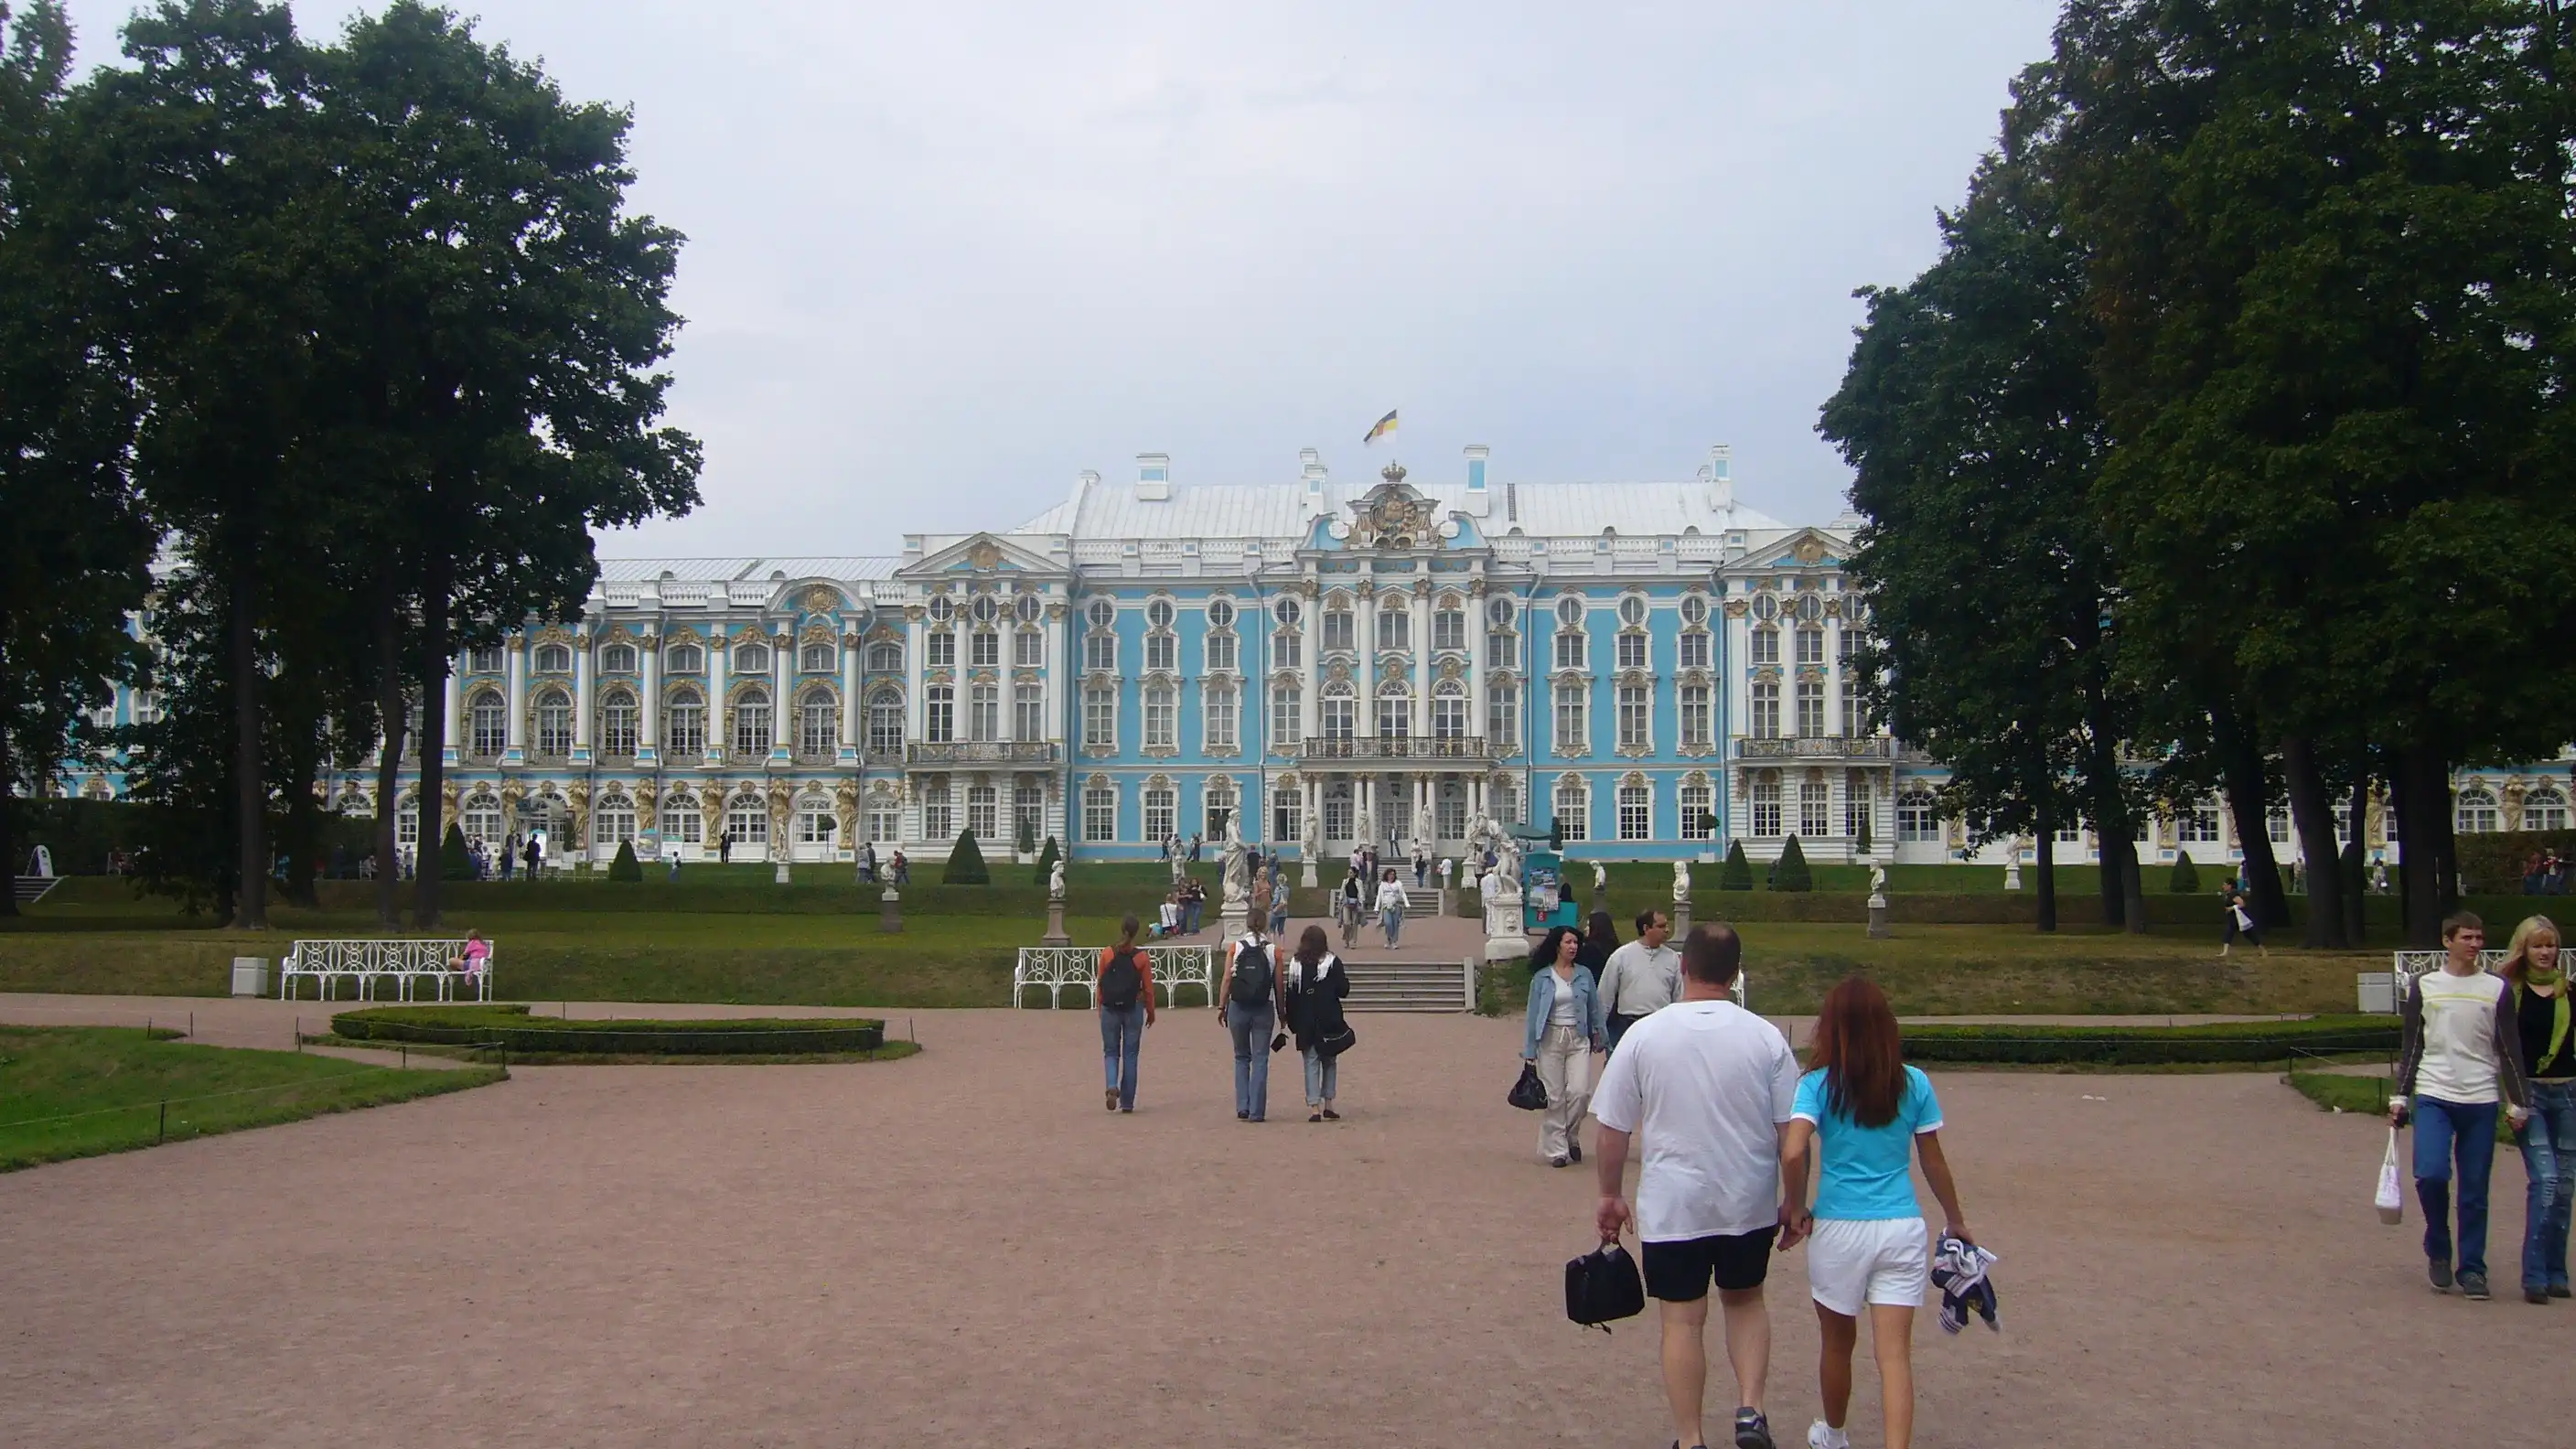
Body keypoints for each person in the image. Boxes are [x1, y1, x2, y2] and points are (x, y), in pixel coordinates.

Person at [1591, 925, 1802, 1449]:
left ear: (1683, 967)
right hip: (1747, 1200)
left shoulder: (1645, 1035)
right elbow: (1791, 1134)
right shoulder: (1765, 1037)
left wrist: (1610, 1194)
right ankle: (1750, 1408)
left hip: (1674, 1203)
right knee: (1746, 1303)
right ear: (1735, 972)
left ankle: (1690, 1438)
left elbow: (1613, 1129)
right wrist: (1794, 1201)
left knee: (1683, 1321)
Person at [1779, 975, 1972, 1449]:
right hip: (1900, 1226)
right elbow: (1932, 1159)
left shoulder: (1817, 1085)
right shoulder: (1913, 1082)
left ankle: (1833, 1435)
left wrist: (1795, 1208)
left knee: (1837, 1342)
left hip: (1839, 1226)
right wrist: (1956, 1220)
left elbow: (1793, 1151)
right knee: (1895, 1356)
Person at [2394, 910, 2531, 1300]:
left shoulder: (2496, 988)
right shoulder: (2425, 985)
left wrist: (2519, 1101)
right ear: (2447, 941)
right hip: (2434, 1092)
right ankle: (2438, 1246)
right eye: (2467, 937)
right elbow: (2413, 1044)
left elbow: (2508, 1047)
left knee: (2473, 1190)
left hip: (2481, 1097)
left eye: (2479, 937)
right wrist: (2400, 1095)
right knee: (2431, 1174)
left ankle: (2473, 1269)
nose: (2475, 944)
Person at [2502, 915, 2576, 1303]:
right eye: (2537, 945)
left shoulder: (2568, 991)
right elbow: (2502, 1049)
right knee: (2545, 1179)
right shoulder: (2509, 993)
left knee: (2564, 1186)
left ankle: (2556, 1271)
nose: (2545, 952)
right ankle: (2534, 1275)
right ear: (2523, 949)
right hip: (2529, 1094)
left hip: (2568, 1094)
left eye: (2550, 945)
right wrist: (2512, 1098)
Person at [1521, 925, 1604, 1167]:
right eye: (1568, 942)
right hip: (1551, 1038)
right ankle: (1557, 1150)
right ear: (1557, 945)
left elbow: (1595, 1008)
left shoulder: (1584, 975)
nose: (1573, 947)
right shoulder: (1543, 978)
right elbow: (1532, 1015)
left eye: (1576, 943)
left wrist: (1602, 1036)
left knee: (1580, 1092)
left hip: (1578, 1038)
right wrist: (1530, 1051)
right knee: (1555, 1096)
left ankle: (1570, 1134)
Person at [1283, 921, 1351, 1122]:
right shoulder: (1332, 961)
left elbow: (1291, 994)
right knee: (1329, 1061)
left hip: (1306, 1020)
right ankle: (1329, 1103)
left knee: (1311, 1062)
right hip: (1329, 1019)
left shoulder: (1296, 964)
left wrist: (1291, 1020)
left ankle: (1314, 1107)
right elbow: (1344, 990)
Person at [1220, 914, 1283, 1122]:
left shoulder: (1236, 948)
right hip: (1264, 1006)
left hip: (1238, 1006)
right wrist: (1282, 1012)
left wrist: (1221, 1005)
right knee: (1260, 1058)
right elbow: (1279, 985)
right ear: (1265, 925)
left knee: (1241, 1057)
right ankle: (1257, 1110)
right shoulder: (1273, 950)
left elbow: (1227, 978)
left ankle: (1242, 1106)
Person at [1597, 908, 1681, 1053]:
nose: (1667, 930)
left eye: (1667, 925)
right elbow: (1605, 994)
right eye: (1661, 926)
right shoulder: (1621, 956)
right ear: (1646, 928)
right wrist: (1599, 1028)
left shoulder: (1673, 958)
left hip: (1660, 1024)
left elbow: (1679, 995)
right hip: (1627, 1025)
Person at [1095, 914, 1156, 1113]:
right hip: (1133, 1006)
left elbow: (1100, 983)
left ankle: (1112, 1084)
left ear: (1121, 929)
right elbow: (1148, 988)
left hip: (1110, 1007)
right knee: (1131, 1054)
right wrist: (1151, 1010)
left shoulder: (1107, 953)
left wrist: (1100, 1005)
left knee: (1111, 1051)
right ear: (1136, 932)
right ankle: (1127, 1102)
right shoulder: (1141, 957)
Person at [2217, 888, 2263, 957]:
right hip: (2233, 919)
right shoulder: (2229, 895)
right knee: (2228, 933)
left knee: (2249, 934)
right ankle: (2225, 952)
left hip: (2239, 919)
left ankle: (2262, 949)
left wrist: (2231, 908)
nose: (2223, 886)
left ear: (2229, 885)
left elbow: (2242, 904)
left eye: (2225, 884)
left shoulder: (2233, 894)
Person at [1575, 909, 1621, 978]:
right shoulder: (1618, 949)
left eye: (1588, 925)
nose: (1586, 929)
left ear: (1595, 927)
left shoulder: (1589, 950)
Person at [1375, 867, 1409, 949]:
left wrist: (1407, 903)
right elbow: (1379, 896)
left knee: (1395, 924)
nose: (1392, 876)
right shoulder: (1383, 884)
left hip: (1395, 906)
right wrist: (1376, 907)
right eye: (1390, 874)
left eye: (1393, 874)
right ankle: (1389, 938)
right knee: (1388, 923)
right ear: (1387, 875)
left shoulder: (1398, 883)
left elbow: (1403, 894)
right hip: (1386, 906)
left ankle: (1394, 941)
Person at [1339, 868, 1366, 950]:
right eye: (1348, 872)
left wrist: (1361, 903)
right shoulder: (1345, 881)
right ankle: (1346, 940)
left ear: (1354, 874)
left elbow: (1361, 893)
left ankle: (1353, 942)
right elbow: (1342, 892)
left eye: (1351, 872)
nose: (1349, 874)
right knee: (1346, 923)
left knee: (1354, 923)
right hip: (1346, 904)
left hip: (1355, 904)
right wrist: (1340, 901)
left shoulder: (1359, 882)